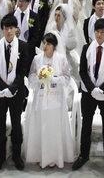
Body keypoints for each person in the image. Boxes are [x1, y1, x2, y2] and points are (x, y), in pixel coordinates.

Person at [24, 32, 76, 168]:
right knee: (41, 124)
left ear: (54, 46)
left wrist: (52, 78)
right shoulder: (37, 59)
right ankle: (39, 154)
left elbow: (66, 78)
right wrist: (41, 78)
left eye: (48, 44)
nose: (45, 46)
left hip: (56, 98)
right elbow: (31, 77)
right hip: (41, 97)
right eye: (44, 43)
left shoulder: (61, 59)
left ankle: (54, 156)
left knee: (54, 125)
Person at [74, 18, 104, 171]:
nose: (99, 35)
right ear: (94, 32)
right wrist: (91, 87)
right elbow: (82, 71)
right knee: (86, 123)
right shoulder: (87, 48)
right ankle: (84, 154)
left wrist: (103, 89)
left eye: (102, 32)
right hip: (89, 92)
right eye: (97, 32)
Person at [0, 14, 31, 174]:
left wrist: (13, 87)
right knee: (0, 125)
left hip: (16, 92)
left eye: (11, 28)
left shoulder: (22, 46)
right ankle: (0, 157)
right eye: (6, 28)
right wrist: (2, 87)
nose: (8, 31)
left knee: (16, 123)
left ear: (16, 29)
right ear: (2, 29)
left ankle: (16, 156)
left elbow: (23, 70)